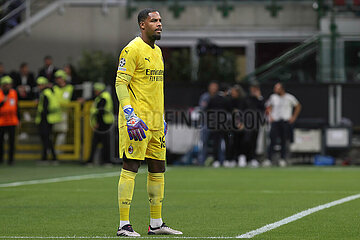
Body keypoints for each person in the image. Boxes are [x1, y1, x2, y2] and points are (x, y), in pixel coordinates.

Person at [115, 8, 182, 237]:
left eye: (161, 20)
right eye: (154, 20)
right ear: (142, 24)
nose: (159, 24)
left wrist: (161, 117)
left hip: (155, 121)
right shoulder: (132, 49)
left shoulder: (158, 52)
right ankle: (124, 224)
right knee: (131, 166)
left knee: (158, 167)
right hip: (136, 121)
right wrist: (129, 114)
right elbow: (120, 84)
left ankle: (156, 223)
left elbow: (155, 88)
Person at [264, 82, 301, 167]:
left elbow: (298, 106)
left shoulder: (289, 97)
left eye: (277, 88)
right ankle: (269, 159)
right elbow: (268, 107)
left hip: (285, 121)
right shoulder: (273, 97)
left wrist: (293, 117)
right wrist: (270, 116)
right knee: (272, 140)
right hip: (275, 121)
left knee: (284, 141)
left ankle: (282, 159)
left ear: (282, 89)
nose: (275, 90)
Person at [35, 76, 62, 164]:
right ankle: (52, 157)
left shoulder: (45, 93)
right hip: (49, 119)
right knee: (47, 139)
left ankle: (46, 158)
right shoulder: (49, 92)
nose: (39, 86)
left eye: (40, 85)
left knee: (46, 139)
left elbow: (45, 108)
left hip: (46, 119)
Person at [87, 82, 114, 165]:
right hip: (104, 122)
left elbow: (100, 111)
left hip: (103, 122)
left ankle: (102, 160)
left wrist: (97, 123)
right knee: (101, 142)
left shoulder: (103, 97)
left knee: (100, 142)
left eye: (96, 90)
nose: (95, 92)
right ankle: (102, 160)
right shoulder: (104, 96)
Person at [197, 81, 219, 166]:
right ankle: (201, 161)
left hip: (217, 124)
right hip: (206, 123)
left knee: (217, 143)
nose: (213, 89)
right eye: (212, 86)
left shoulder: (218, 97)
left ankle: (218, 160)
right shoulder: (205, 97)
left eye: (215, 87)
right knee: (204, 143)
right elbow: (202, 107)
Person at [0, 76, 19, 165]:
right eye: (6, 84)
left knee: (12, 142)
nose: (8, 86)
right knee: (1, 142)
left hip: (12, 121)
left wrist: (18, 119)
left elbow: (16, 107)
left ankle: (11, 160)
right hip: (1, 121)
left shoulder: (14, 93)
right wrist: (3, 101)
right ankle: (1, 159)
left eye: (9, 84)